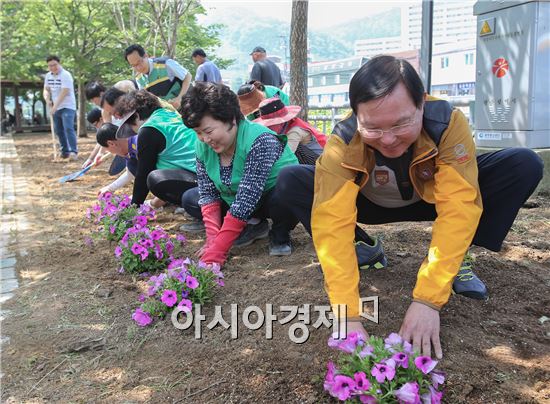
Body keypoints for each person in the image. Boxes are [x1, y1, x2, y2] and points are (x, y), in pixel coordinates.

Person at [274, 55, 543, 359]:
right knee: (292, 179)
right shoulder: (343, 140)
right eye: (372, 128)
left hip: (431, 198)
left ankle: (458, 259)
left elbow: (459, 206)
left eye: (402, 123)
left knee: (522, 164)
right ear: (356, 116)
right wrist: (346, 313)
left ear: (421, 104)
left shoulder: (447, 122)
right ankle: (363, 247)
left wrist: (428, 300)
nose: (388, 140)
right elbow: (331, 220)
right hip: (369, 204)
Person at [179, 82, 299, 264]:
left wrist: (217, 252)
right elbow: (208, 194)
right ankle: (253, 226)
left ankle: (279, 233)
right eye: (198, 132)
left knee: (287, 189)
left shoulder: (259, 139)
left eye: (208, 131)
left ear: (231, 119)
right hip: (235, 199)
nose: (205, 139)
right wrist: (212, 242)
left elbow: (246, 199)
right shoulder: (203, 145)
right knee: (191, 198)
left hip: (270, 199)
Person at [113, 89, 198, 208]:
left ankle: (197, 208)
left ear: (137, 116)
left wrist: (134, 208)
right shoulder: (168, 114)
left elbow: (143, 174)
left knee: (156, 179)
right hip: (206, 177)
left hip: (200, 181)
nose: (134, 131)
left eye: (131, 125)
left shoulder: (149, 129)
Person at [253, 97, 326, 165]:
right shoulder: (286, 126)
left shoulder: (295, 131)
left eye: (270, 124)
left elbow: (285, 157)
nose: (268, 127)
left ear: (280, 122)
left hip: (321, 162)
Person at [124, 44, 191, 109]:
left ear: (146, 55)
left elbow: (187, 76)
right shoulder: (139, 78)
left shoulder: (165, 63)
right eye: (134, 65)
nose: (138, 68)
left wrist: (180, 98)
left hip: (186, 105)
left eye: (139, 62)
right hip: (168, 114)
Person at [43, 55, 78, 160]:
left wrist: (55, 106)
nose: (53, 67)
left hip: (68, 106)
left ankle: (73, 151)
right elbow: (46, 89)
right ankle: (64, 151)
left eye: (55, 65)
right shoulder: (48, 76)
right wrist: (47, 99)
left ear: (59, 63)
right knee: (59, 130)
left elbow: (64, 92)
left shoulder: (66, 75)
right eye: (50, 66)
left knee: (68, 128)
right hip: (56, 107)